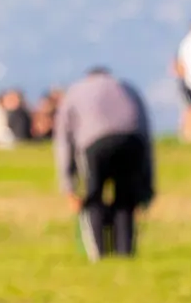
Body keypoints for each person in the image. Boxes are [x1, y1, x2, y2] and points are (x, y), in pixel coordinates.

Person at [54, 65, 155, 260]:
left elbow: (64, 143)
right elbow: (146, 136)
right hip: (132, 142)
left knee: (93, 199)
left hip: (94, 143)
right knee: (125, 200)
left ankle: (98, 255)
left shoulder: (76, 91)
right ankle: (125, 253)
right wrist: (147, 185)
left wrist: (69, 186)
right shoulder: (128, 89)